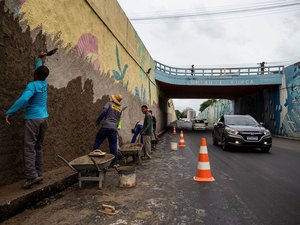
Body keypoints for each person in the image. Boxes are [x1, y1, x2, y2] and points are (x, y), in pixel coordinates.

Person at [5, 65, 50, 189]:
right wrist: (40, 59)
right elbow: (41, 70)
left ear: (36, 74)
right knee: (38, 147)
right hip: (44, 119)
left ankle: (31, 177)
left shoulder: (32, 85)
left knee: (29, 147)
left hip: (33, 119)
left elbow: (24, 99)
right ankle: (39, 174)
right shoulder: (44, 84)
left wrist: (10, 112)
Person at [93, 94, 123, 167]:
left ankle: (95, 160)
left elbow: (103, 112)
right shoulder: (119, 110)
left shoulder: (109, 104)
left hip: (106, 127)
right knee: (113, 147)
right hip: (114, 129)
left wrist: (98, 121)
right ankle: (113, 163)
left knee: (97, 142)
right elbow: (118, 121)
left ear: (114, 99)